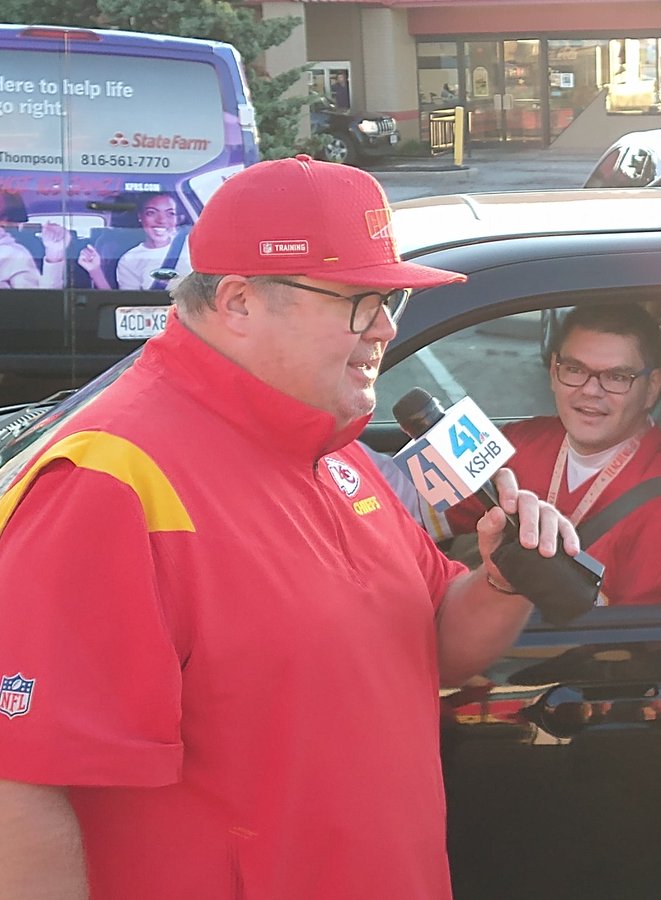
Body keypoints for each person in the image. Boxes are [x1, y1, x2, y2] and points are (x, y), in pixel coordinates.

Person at [0, 154, 578, 899]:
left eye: (388, 303)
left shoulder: (329, 442)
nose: (382, 330)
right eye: (359, 302)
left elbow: (429, 645)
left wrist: (502, 581)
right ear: (238, 301)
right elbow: (20, 783)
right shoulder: (111, 481)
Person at [446, 303, 661, 606]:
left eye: (617, 377)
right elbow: (419, 511)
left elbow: (643, 645)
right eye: (575, 369)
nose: (590, 390)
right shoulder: (520, 442)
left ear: (652, 387)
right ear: (554, 372)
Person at [79, 192, 192, 291]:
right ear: (140, 217)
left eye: (170, 213)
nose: (161, 220)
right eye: (151, 213)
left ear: (177, 219)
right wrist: (95, 270)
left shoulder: (192, 244)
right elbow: (127, 305)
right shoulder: (129, 260)